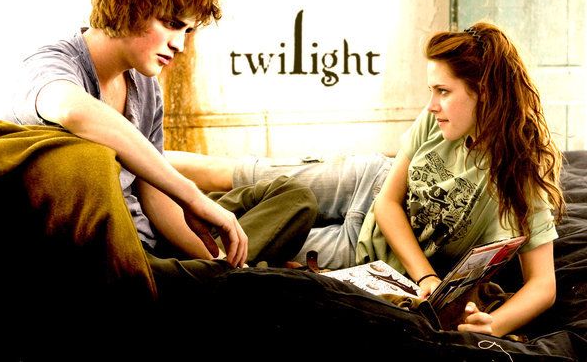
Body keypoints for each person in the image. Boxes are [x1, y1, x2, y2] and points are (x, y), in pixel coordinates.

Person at [171, 21, 565, 338]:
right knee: (228, 173)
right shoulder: (434, 120)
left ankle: (160, 224)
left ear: (486, 94)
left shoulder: (520, 179)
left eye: (443, 91)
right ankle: (142, 157)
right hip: (363, 181)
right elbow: (388, 202)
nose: (431, 104)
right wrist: (427, 275)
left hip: (366, 255)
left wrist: (494, 324)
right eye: (432, 90)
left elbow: (542, 285)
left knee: (243, 243)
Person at [5, 0, 317, 291]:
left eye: (187, 30)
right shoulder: (50, 64)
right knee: (280, 286)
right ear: (127, 4)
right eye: (171, 23)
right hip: (104, 259)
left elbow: (155, 198)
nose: (179, 44)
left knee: (294, 197)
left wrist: (219, 259)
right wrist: (191, 194)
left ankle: (230, 275)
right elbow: (72, 110)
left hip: (156, 246)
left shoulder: (145, 84)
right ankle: (237, 279)